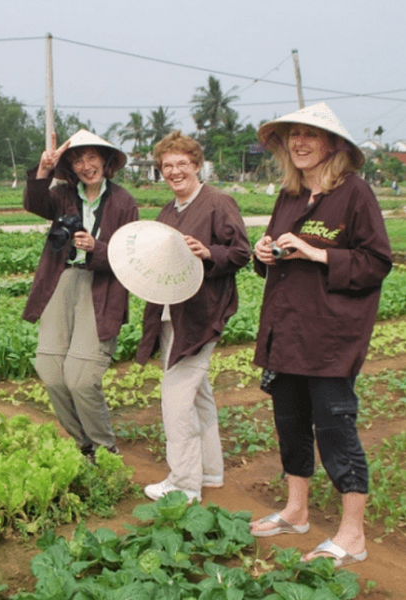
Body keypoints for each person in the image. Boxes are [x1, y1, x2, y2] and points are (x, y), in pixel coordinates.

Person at [249, 103, 392, 568]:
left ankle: (352, 536)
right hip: (286, 331)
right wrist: (264, 253)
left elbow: (376, 262)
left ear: (333, 145)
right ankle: (297, 511)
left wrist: (318, 254)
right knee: (290, 424)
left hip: (331, 337)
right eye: (293, 135)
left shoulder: (355, 193)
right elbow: (272, 254)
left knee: (335, 429)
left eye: (311, 135)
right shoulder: (289, 195)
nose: (300, 143)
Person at [134, 131, 250, 502]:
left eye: (182, 163)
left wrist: (209, 253)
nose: (175, 171)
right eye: (167, 165)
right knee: (199, 396)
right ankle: (211, 471)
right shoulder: (169, 211)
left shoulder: (218, 202)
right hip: (172, 314)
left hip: (202, 315)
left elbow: (241, 252)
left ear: (196, 165)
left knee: (176, 399)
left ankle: (184, 484)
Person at [22, 129, 137, 461]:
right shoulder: (62, 196)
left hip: (100, 287)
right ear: (70, 168)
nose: (87, 166)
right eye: (78, 160)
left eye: (92, 157)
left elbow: (131, 255)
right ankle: (84, 445)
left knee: (82, 379)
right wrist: (44, 169)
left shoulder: (123, 201)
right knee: (51, 371)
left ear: (105, 160)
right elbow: (35, 203)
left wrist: (96, 248)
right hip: (61, 281)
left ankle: (105, 448)